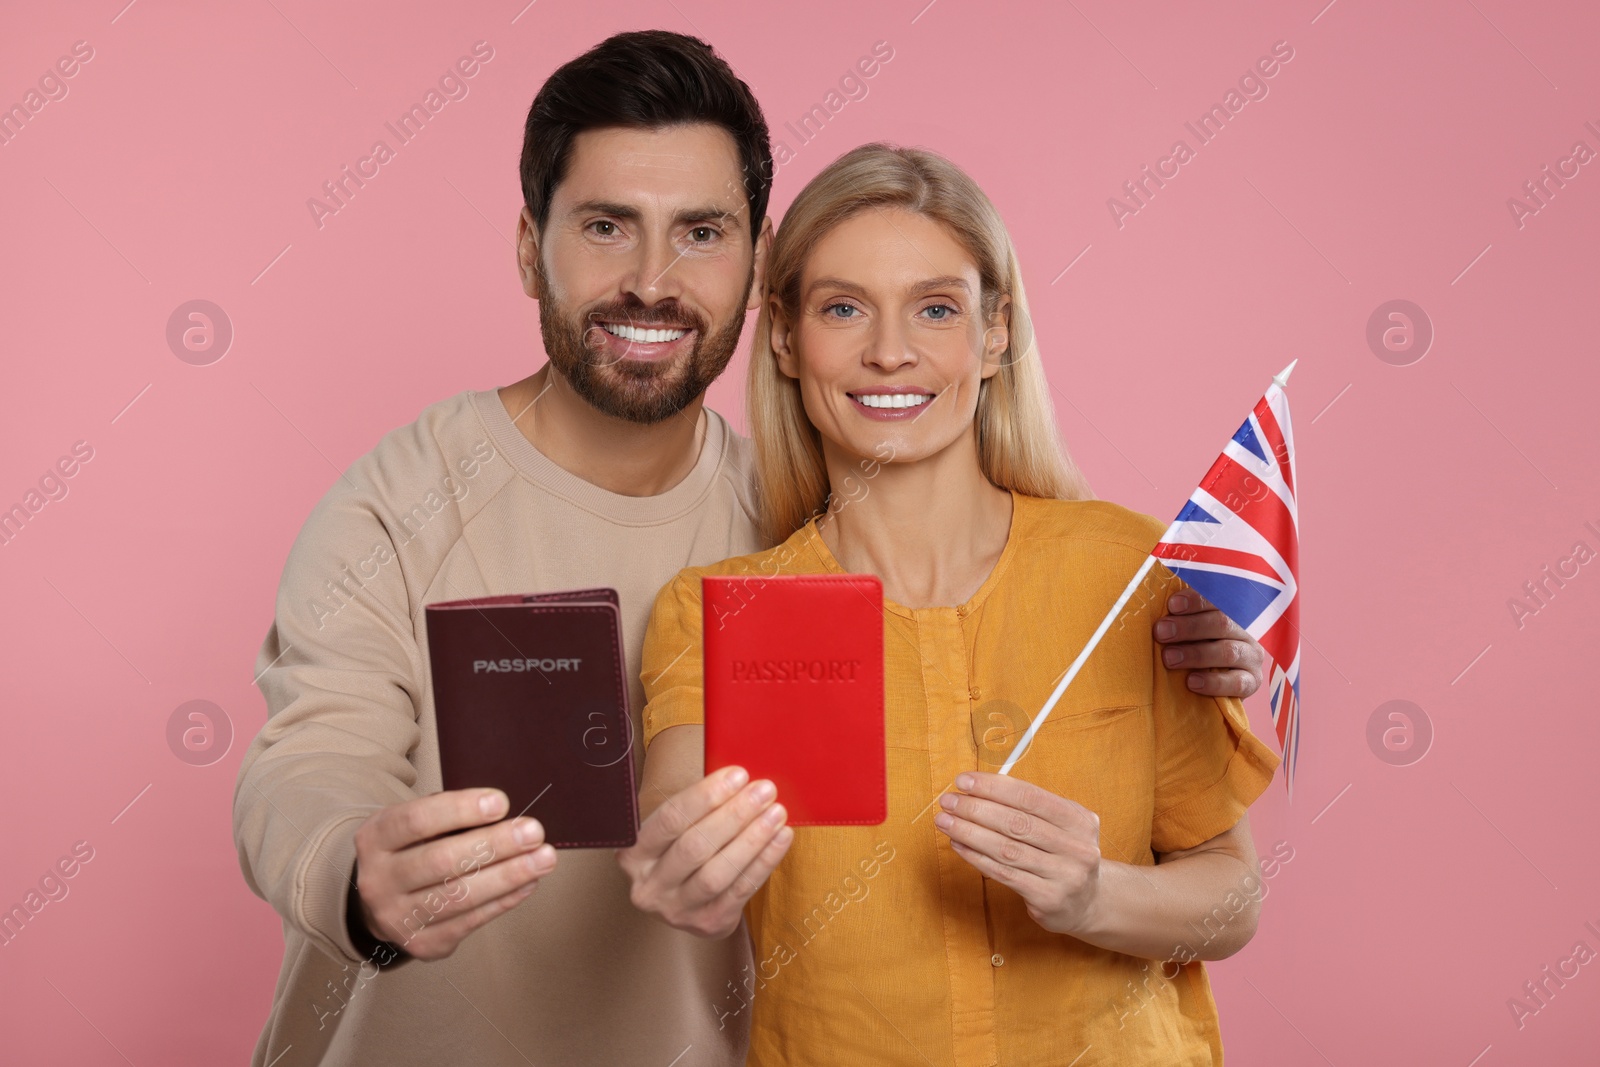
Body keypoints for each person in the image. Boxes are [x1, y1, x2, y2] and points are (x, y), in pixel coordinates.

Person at [232, 31, 1267, 1067]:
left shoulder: (791, 512)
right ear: (526, 245)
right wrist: (351, 874)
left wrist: (1216, 638)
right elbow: (312, 757)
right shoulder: (402, 501)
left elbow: (1035, 636)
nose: (650, 279)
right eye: (604, 226)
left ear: (755, 262)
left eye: (699, 231)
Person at [622, 142, 1283, 1065]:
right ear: (783, 336)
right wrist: (685, 867)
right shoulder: (722, 612)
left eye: (936, 308)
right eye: (843, 307)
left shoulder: (1129, 574)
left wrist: (1095, 894)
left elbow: (1232, 894)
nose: (890, 351)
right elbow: (674, 815)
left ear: (996, 332)